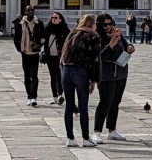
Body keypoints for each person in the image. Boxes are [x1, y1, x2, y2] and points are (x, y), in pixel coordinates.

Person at [60, 14, 102, 148]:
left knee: (69, 106)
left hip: (66, 70)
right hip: (80, 71)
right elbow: (94, 59)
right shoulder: (93, 35)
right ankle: (85, 138)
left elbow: (63, 54)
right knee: (83, 106)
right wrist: (94, 79)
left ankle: (70, 139)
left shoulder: (72, 33)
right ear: (93, 24)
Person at [93, 13, 134, 144]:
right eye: (105, 24)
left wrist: (130, 47)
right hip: (106, 74)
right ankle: (96, 131)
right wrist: (111, 43)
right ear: (100, 25)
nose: (109, 27)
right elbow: (100, 56)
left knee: (116, 102)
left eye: (110, 23)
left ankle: (112, 129)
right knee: (105, 102)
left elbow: (126, 45)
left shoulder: (118, 34)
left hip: (121, 72)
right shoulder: (97, 37)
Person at [13, 8, 43, 105]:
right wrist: (19, 48)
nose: (30, 12)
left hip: (35, 53)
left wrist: (39, 45)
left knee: (34, 75)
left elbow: (43, 36)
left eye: (32, 10)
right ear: (25, 12)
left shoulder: (39, 23)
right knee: (27, 75)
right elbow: (16, 37)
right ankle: (29, 96)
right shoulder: (20, 24)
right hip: (25, 53)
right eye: (28, 10)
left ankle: (34, 97)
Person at [41, 12, 70, 105]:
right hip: (50, 56)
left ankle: (60, 94)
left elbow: (69, 42)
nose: (53, 19)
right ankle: (54, 96)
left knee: (60, 76)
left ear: (60, 19)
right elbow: (42, 40)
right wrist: (41, 40)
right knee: (52, 77)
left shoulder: (65, 30)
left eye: (56, 17)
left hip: (60, 57)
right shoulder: (47, 28)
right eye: (52, 17)